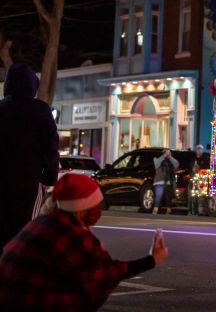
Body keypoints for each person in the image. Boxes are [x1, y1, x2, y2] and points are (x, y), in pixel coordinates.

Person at [0, 172, 168, 310]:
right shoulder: (74, 237)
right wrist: (152, 260)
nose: (97, 211)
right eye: (94, 205)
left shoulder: (41, 223)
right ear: (81, 208)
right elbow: (105, 274)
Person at [0, 64, 59, 246]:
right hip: (28, 180)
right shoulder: (40, 110)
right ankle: (17, 267)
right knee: (25, 228)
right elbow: (50, 145)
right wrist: (49, 177)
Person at [152, 149, 179, 214]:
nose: (168, 154)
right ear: (163, 153)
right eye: (166, 153)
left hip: (168, 181)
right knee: (158, 196)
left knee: (168, 197)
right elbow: (156, 164)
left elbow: (177, 164)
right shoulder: (157, 159)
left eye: (169, 153)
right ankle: (155, 209)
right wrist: (164, 156)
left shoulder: (171, 161)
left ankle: (168, 210)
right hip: (159, 181)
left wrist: (170, 157)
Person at [188, 144, 206, 216]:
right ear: (196, 150)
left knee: (200, 196)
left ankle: (199, 211)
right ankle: (191, 211)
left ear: (202, 150)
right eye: (198, 149)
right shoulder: (193, 159)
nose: (199, 150)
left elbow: (206, 168)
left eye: (200, 149)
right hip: (193, 181)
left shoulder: (205, 159)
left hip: (201, 180)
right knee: (191, 196)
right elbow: (190, 169)